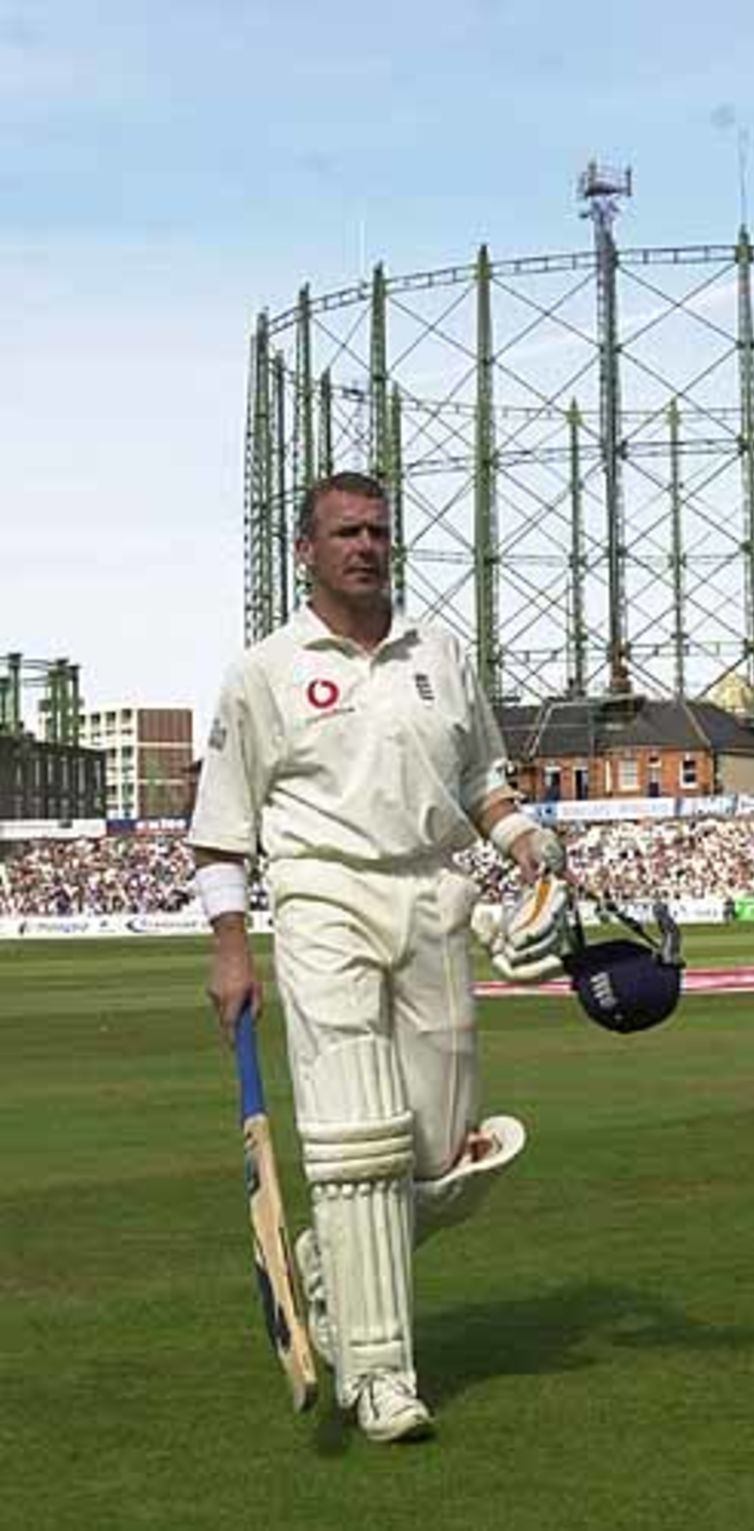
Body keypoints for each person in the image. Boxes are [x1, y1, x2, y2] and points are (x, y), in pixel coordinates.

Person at [189, 470, 564, 1443]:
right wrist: (232, 947)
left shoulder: (438, 651)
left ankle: (325, 1262)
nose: (365, 545)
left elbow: (481, 777)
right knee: (359, 1142)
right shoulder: (264, 670)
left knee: (442, 1156)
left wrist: (523, 838)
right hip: (322, 897)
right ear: (305, 552)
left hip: (435, 895)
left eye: (378, 531)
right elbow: (221, 829)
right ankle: (383, 1376)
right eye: (345, 532)